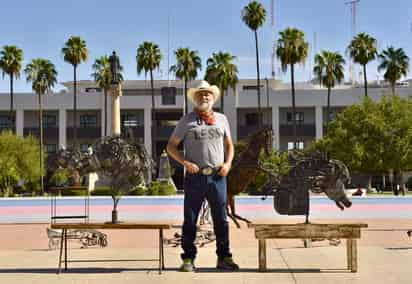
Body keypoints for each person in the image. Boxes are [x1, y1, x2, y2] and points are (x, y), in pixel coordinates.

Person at [166, 80, 239, 272]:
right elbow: (171, 146)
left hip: (218, 176)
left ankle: (224, 257)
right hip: (195, 177)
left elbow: (230, 145)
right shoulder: (186, 120)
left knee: (221, 219)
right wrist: (185, 163)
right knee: (190, 218)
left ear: (213, 98)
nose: (204, 97)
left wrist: (228, 164)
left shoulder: (222, 119)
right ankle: (188, 258)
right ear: (194, 98)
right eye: (200, 94)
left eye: (208, 94)